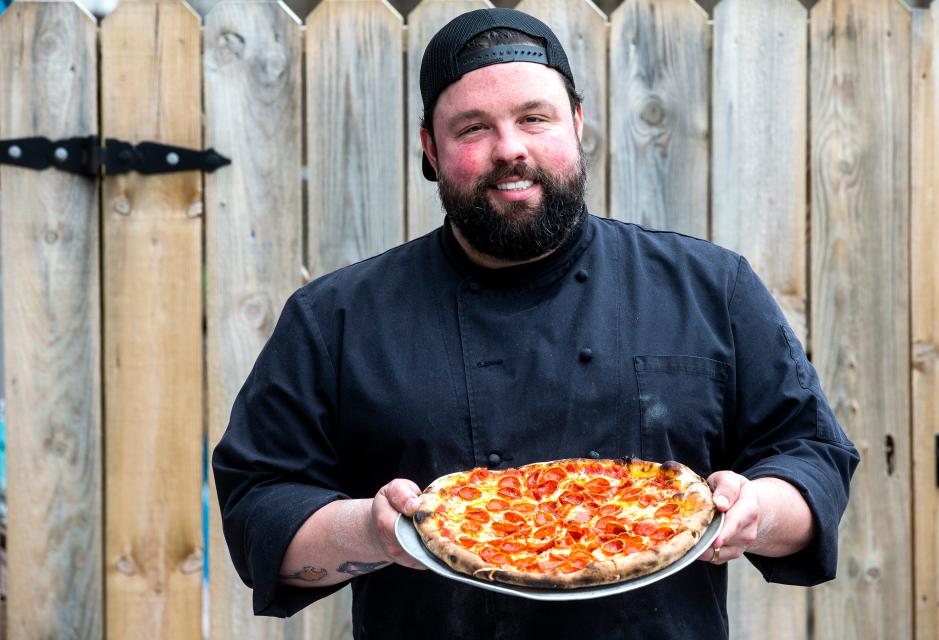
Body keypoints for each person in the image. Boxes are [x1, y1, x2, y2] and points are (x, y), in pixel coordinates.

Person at [213, 8, 859, 639]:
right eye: (473, 129)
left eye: (534, 118)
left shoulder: (711, 287)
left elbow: (813, 458)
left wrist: (757, 511)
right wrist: (374, 532)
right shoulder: (336, 318)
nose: (510, 149)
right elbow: (258, 505)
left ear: (576, 123)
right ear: (429, 149)